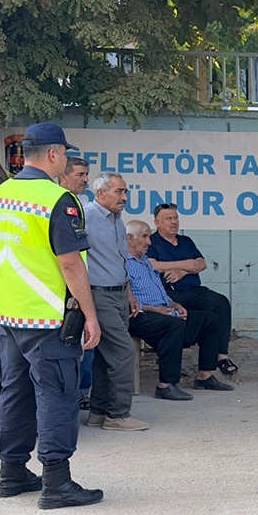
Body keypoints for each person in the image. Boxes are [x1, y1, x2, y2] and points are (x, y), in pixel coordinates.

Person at [0, 122, 103, 509]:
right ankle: (56, 482)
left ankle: (12, 473)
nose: (68, 160)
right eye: (66, 154)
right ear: (54, 154)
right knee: (57, 396)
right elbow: (70, 263)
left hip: (10, 313)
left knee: (15, 394)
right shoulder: (58, 200)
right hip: (49, 318)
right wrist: (90, 314)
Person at [126, 221, 234, 398]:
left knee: (210, 320)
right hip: (141, 314)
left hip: (162, 309)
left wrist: (175, 305)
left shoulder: (145, 261)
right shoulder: (121, 263)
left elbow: (160, 292)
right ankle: (166, 385)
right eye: (145, 236)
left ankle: (204, 376)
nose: (149, 242)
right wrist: (158, 310)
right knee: (174, 325)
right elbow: (127, 300)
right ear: (129, 238)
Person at [83, 172, 152, 430]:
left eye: (125, 192)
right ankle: (118, 415)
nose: (124, 197)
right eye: (119, 192)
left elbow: (121, 260)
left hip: (119, 293)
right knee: (124, 352)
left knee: (105, 356)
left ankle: (99, 412)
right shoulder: (86, 216)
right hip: (98, 294)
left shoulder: (117, 220)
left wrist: (130, 293)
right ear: (100, 194)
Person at [148, 203, 239, 375]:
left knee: (220, 303)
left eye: (176, 218)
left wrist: (181, 272)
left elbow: (202, 264)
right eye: (168, 218)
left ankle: (221, 356)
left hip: (193, 290)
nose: (174, 222)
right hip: (169, 294)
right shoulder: (152, 242)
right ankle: (173, 358)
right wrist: (186, 264)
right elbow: (152, 265)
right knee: (180, 315)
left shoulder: (186, 241)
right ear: (157, 223)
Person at [60, 157, 94, 402]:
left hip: (81, 282)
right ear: (64, 176)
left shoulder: (83, 203)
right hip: (60, 287)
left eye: (86, 174)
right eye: (80, 174)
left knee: (86, 345)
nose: (85, 179)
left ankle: (82, 392)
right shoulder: (56, 203)